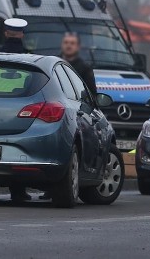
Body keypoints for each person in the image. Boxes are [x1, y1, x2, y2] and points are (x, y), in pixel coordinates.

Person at [40, 32, 98, 201]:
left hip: (77, 116)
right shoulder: (53, 66)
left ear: (78, 46)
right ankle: (50, 189)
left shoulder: (84, 68)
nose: (68, 45)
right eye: (66, 42)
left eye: (72, 42)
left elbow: (91, 95)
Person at [0, 18, 32, 202]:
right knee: (16, 149)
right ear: (22, 34)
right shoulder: (29, 57)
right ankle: (18, 192)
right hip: (18, 107)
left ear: (5, 33)